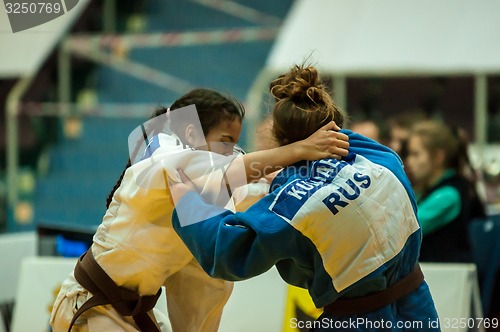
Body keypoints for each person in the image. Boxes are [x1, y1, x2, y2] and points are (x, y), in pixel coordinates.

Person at [49, 88, 349, 332]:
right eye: (225, 141)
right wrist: (297, 150)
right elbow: (215, 170)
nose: (232, 151)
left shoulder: (209, 183)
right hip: (90, 308)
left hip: (131, 314)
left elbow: (256, 189)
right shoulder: (159, 154)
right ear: (191, 132)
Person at [169, 66, 440, 331]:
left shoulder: (293, 205)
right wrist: (284, 170)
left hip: (357, 321)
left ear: (279, 139)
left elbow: (227, 249)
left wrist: (187, 201)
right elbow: (335, 159)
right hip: (418, 307)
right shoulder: (382, 157)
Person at [405, 120, 486, 262]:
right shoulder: (424, 191)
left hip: (447, 278)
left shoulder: (449, 194)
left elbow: (406, 228)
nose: (409, 161)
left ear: (438, 157)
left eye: (416, 154)